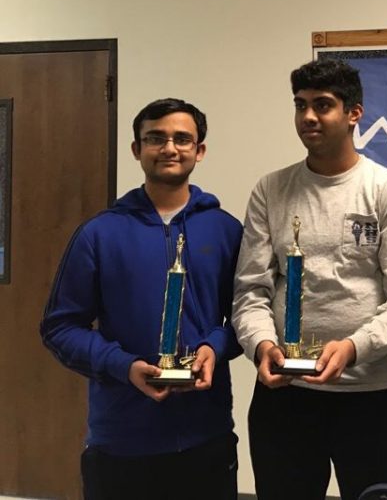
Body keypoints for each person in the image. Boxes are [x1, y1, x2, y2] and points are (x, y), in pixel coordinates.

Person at [232, 58, 387, 500]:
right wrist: (262, 345)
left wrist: (354, 349)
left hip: (371, 394)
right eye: (300, 106)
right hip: (285, 394)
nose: (308, 118)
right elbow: (251, 290)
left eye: (323, 105)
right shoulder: (271, 190)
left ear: (354, 113)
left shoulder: (386, 190)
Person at [41, 98, 243, 500]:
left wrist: (213, 347)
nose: (170, 148)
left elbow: (248, 318)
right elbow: (60, 328)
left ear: (199, 150)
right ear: (137, 149)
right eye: (156, 138)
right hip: (121, 440)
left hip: (206, 436)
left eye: (182, 139)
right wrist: (123, 365)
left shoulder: (226, 230)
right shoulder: (98, 234)